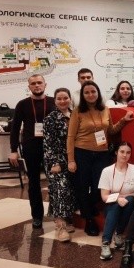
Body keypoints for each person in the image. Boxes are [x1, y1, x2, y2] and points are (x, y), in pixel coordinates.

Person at [67, 81, 134, 236]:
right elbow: (70, 137)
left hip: (102, 153)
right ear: (83, 95)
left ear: (98, 93)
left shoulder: (105, 110)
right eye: (87, 92)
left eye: (93, 91)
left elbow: (111, 130)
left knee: (100, 187)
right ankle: (89, 220)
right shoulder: (77, 111)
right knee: (83, 187)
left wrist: (124, 120)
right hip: (82, 152)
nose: (90, 95)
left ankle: (87, 207)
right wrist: (71, 159)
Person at [9, 74, 56, 229]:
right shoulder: (22, 104)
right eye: (33, 83)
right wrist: (13, 150)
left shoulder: (53, 102)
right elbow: (15, 128)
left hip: (51, 148)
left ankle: (59, 215)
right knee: (34, 183)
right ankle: (37, 216)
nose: (37, 85)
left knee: (55, 181)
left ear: (45, 85)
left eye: (39, 82)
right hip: (31, 147)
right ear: (29, 86)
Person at [98, 142, 134, 261]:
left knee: (130, 200)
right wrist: (117, 198)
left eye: (128, 152)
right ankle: (106, 242)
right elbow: (104, 197)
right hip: (111, 206)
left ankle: (118, 234)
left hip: (129, 205)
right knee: (116, 205)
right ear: (116, 152)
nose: (125, 155)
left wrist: (124, 197)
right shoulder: (107, 171)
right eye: (122, 152)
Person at [43, 87, 75, 241]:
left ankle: (68, 220)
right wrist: (54, 163)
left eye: (65, 98)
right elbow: (48, 143)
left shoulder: (75, 115)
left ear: (70, 99)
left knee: (69, 190)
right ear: (55, 101)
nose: (63, 101)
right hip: (56, 161)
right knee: (59, 191)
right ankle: (60, 227)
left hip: (73, 159)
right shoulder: (50, 118)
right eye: (59, 99)